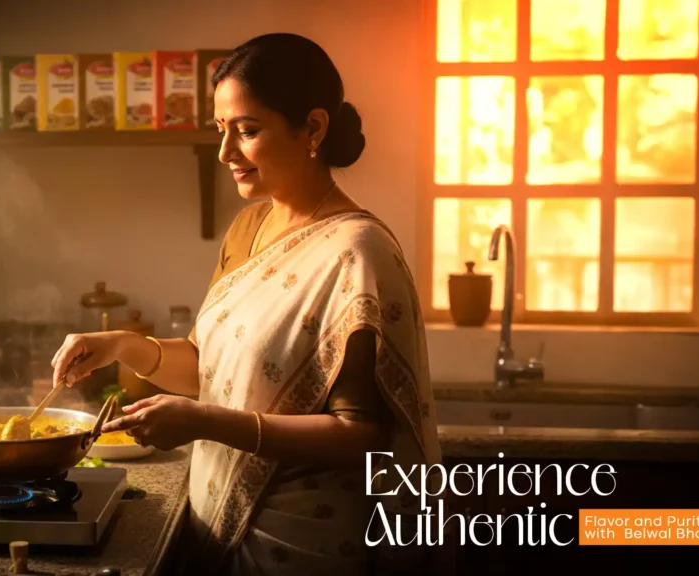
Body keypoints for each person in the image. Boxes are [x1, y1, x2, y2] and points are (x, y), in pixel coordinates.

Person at [51, 33, 442, 576]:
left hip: (299, 542)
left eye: (247, 131)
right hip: (214, 524)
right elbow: (209, 369)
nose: (224, 153)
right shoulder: (250, 227)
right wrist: (121, 345)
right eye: (220, 131)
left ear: (313, 128)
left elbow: (361, 436)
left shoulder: (357, 252)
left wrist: (207, 422)